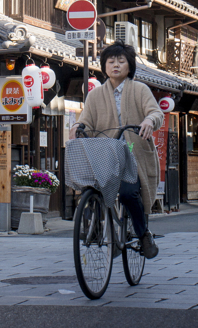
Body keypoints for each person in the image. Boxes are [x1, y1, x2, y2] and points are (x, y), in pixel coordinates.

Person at [69, 43, 163, 259]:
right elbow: (86, 122)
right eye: (111, 62)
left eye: (121, 61)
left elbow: (156, 113)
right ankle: (100, 228)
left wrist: (149, 120)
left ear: (130, 66)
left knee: (129, 194)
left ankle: (143, 234)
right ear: (104, 66)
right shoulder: (95, 95)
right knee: (90, 189)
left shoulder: (140, 90)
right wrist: (76, 127)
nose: (116, 65)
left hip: (134, 154)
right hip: (105, 154)